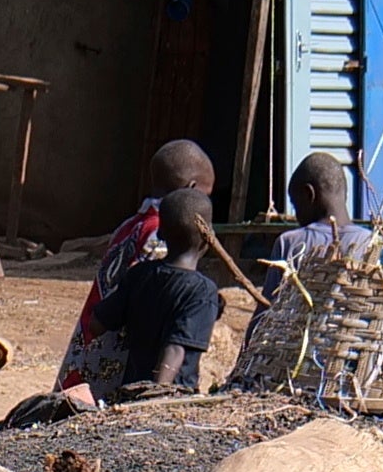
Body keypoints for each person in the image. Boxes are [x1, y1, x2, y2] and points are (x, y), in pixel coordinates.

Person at [58, 139, 248, 399]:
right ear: (191, 189)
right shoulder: (156, 236)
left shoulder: (131, 226)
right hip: (119, 368)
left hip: (90, 349)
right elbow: (164, 300)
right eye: (205, 194)